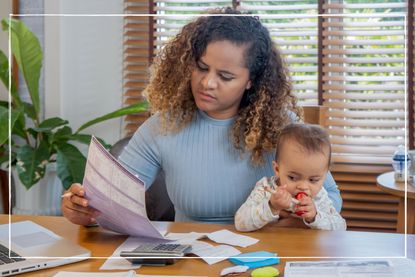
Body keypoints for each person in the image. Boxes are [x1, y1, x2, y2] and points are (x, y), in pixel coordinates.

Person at [61, 7, 342, 226]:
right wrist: (83, 209)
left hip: (268, 253)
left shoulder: (283, 127)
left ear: (251, 81)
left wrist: (299, 214)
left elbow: (333, 201)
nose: (207, 83)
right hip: (192, 259)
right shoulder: (162, 126)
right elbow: (109, 201)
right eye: (201, 67)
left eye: (225, 76)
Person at [235, 123, 347, 231]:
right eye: (293, 178)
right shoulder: (266, 188)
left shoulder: (319, 196)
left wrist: (314, 217)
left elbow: (341, 226)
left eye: (313, 180)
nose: (303, 187)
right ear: (277, 169)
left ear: (325, 175)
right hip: (270, 247)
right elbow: (240, 223)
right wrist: (271, 206)